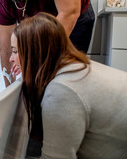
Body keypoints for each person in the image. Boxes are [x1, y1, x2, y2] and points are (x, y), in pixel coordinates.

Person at [13, 12, 127, 158]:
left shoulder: (62, 91)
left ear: (34, 54)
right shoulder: (77, 66)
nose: (11, 59)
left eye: (15, 51)